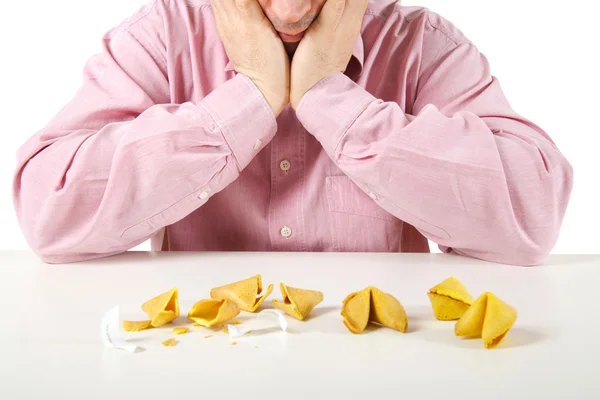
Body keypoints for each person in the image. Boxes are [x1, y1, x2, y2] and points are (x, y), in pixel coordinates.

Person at [12, 0, 573, 266]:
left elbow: (535, 209)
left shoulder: (419, 44)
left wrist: (330, 99)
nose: (291, 9)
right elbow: (47, 211)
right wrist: (251, 95)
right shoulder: (163, 36)